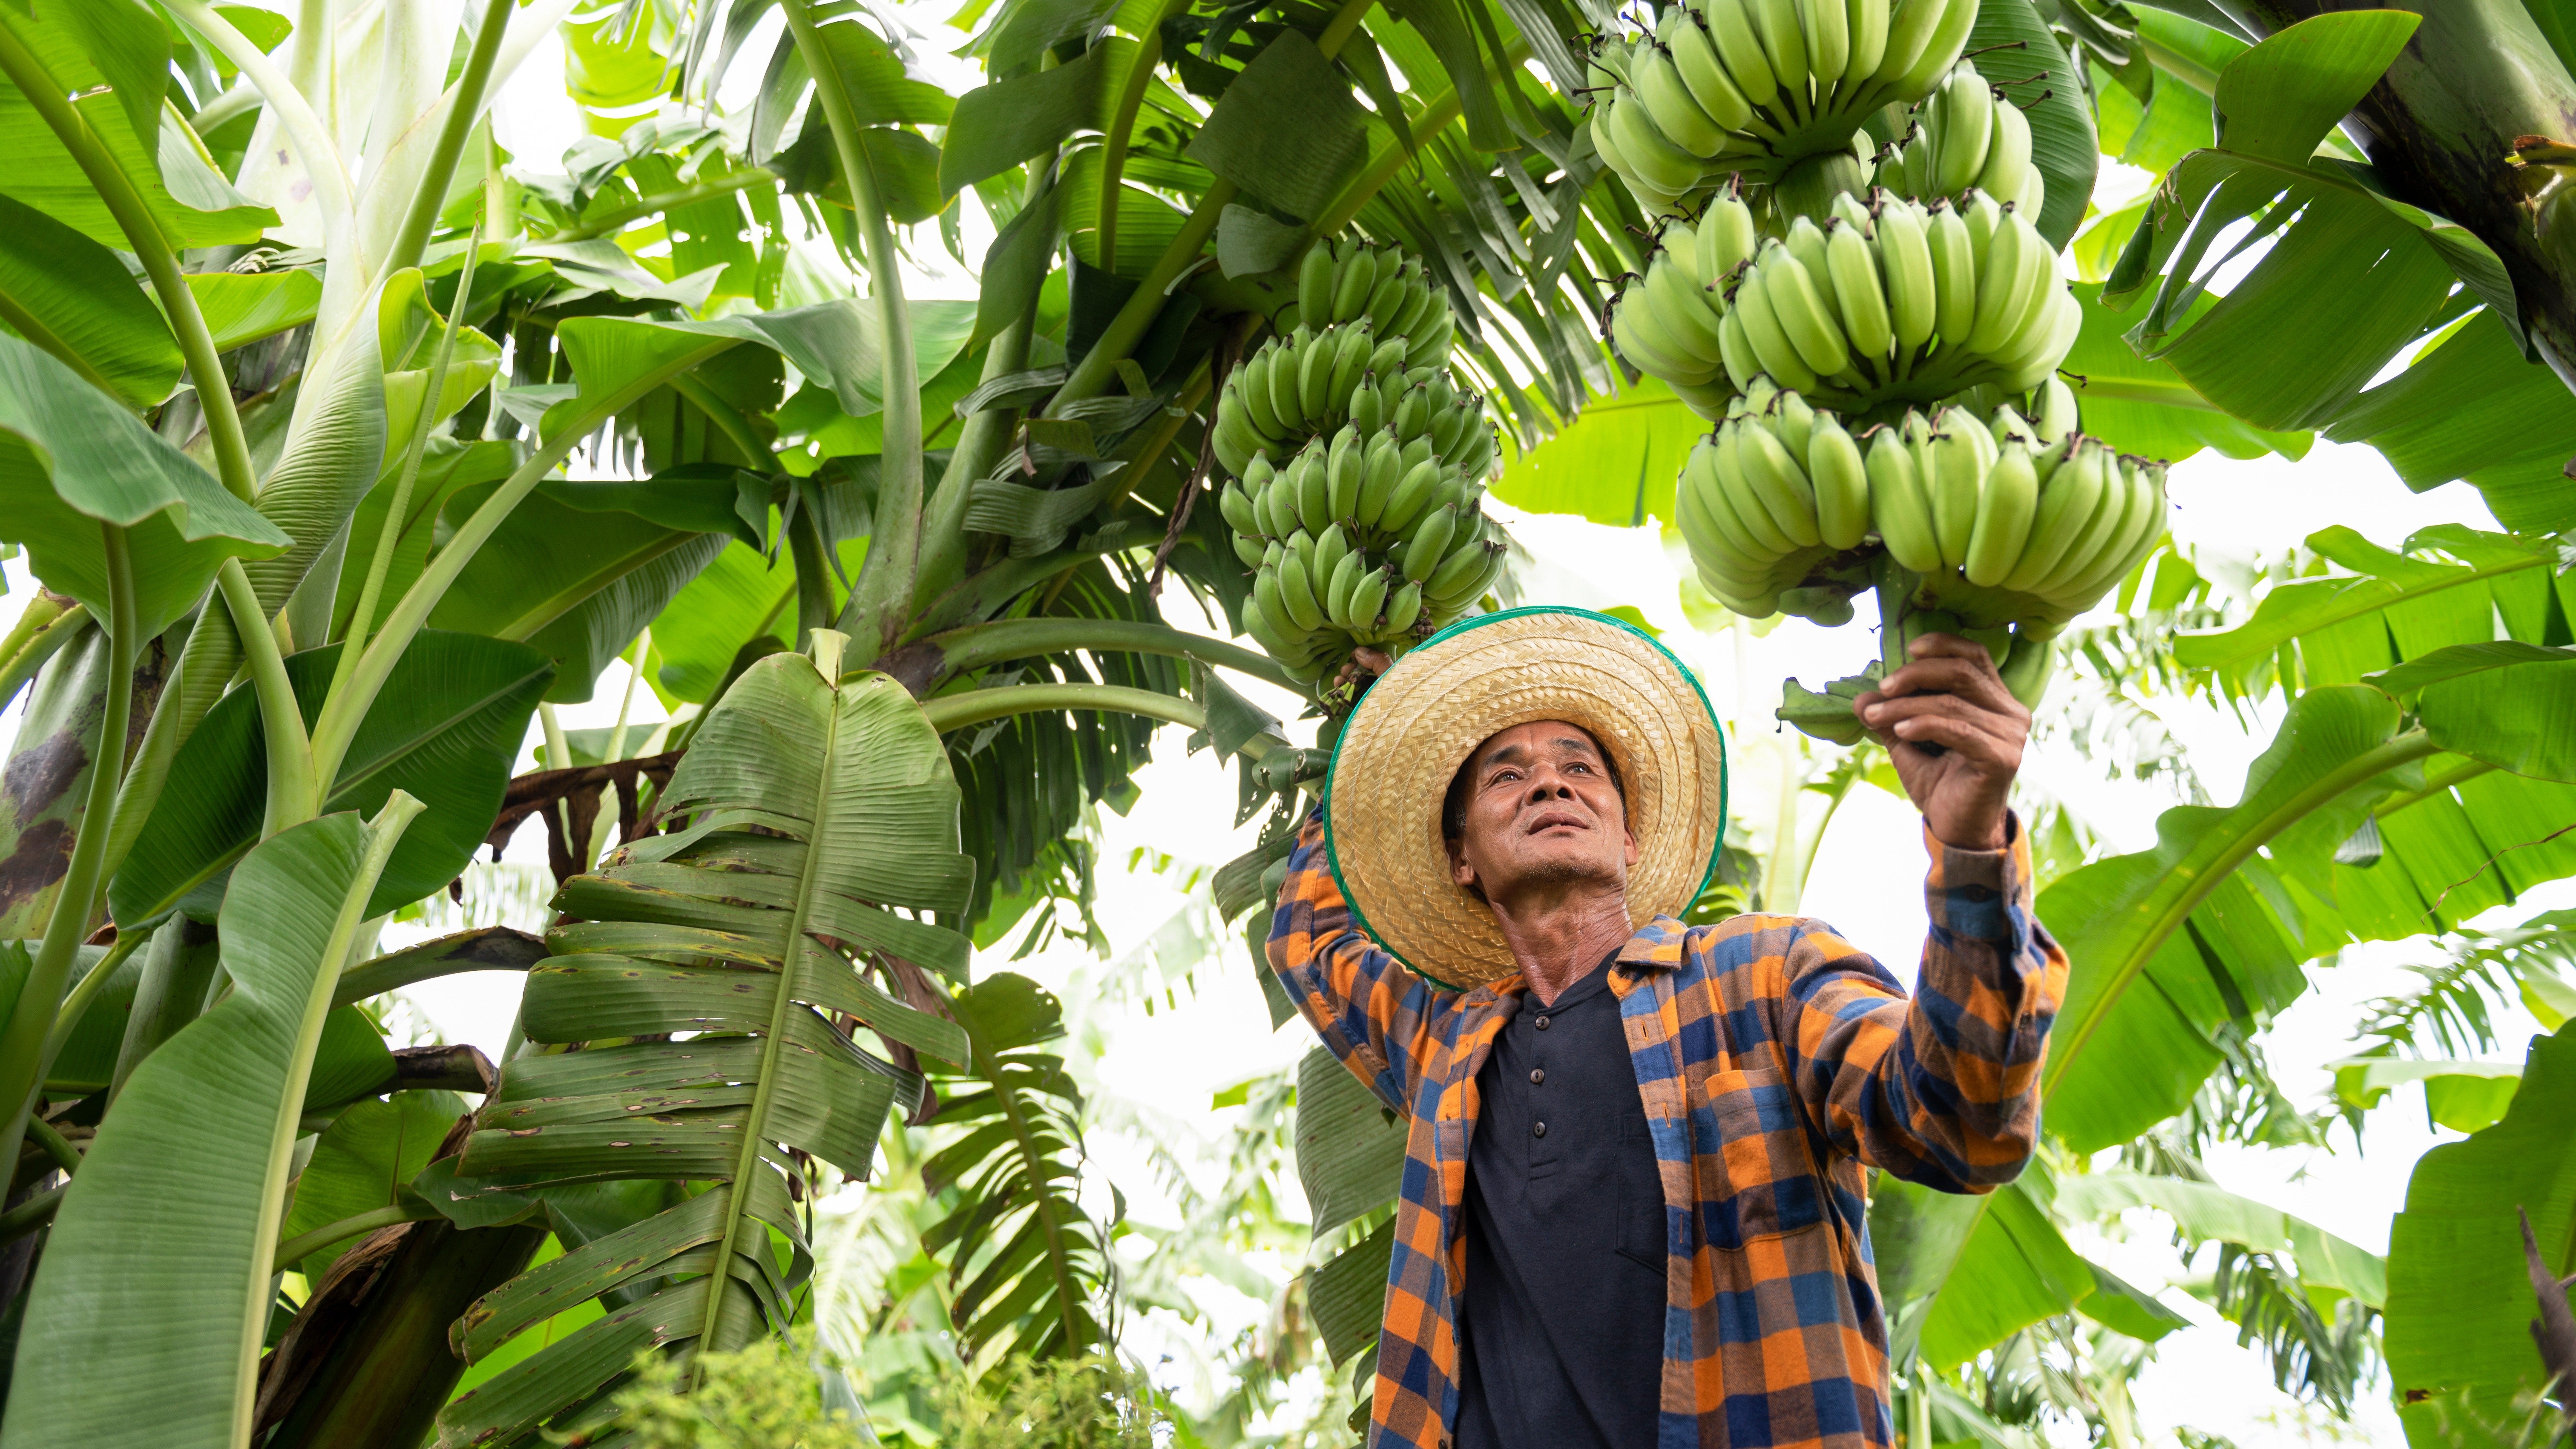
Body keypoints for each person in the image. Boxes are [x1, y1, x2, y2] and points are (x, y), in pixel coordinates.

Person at [1267, 607, 2066, 1449]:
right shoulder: (1449, 1049)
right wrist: (1373, 739)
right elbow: (1311, 939)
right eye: (1507, 776)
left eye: (1580, 767)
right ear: (1461, 857)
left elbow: (1958, 1121)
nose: (1549, 783)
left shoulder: (1763, 977)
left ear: (1630, 838)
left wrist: (1972, 847)